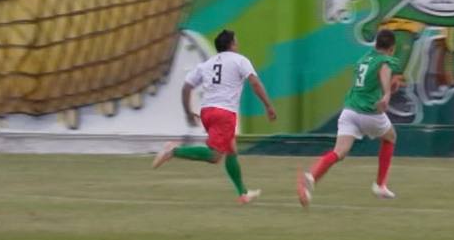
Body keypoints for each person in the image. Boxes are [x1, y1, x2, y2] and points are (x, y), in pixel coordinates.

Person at [152, 29, 277, 204]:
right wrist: (268, 106)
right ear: (232, 44)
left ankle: (243, 193)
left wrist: (188, 113)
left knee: (231, 149)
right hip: (224, 113)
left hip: (207, 112)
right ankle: (173, 151)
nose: (238, 44)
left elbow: (186, 87)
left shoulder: (206, 64)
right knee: (215, 156)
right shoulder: (240, 60)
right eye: (236, 41)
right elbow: (255, 82)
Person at [298, 28, 400, 206]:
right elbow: (384, 73)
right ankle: (380, 185)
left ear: (376, 44)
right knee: (390, 137)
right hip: (369, 112)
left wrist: (387, 88)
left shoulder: (364, 59)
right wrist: (386, 95)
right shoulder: (385, 60)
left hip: (349, 111)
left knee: (339, 152)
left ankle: (311, 177)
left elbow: (372, 79)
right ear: (392, 48)